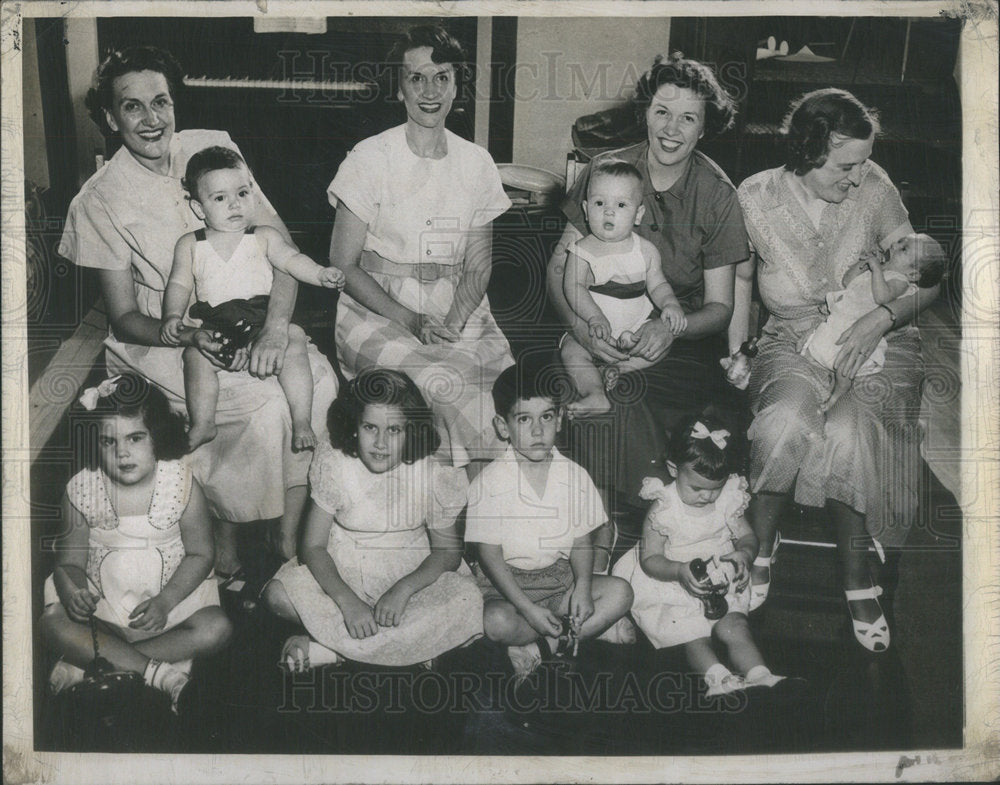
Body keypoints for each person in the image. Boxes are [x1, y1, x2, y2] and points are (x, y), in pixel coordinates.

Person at [58, 46, 337, 573]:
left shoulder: (213, 147)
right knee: (258, 406)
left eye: (160, 101)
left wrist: (276, 327)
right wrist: (188, 336)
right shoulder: (97, 201)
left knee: (316, 383)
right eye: (132, 107)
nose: (151, 118)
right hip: (165, 339)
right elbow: (124, 318)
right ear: (110, 118)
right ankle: (221, 532)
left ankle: (290, 531)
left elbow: (278, 245)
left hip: (252, 316)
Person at [734, 88, 941, 652]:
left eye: (863, 162)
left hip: (881, 336)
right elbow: (741, 282)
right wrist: (736, 350)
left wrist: (881, 318)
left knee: (850, 430)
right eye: (846, 164)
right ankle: (761, 547)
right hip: (793, 338)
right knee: (784, 421)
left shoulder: (874, 187)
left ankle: (856, 578)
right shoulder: (755, 197)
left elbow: (929, 274)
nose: (859, 175)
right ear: (808, 150)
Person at [547, 53, 749, 503]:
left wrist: (668, 327)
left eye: (688, 118)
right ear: (645, 113)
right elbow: (560, 267)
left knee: (627, 395)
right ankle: (582, 524)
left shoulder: (718, 196)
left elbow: (720, 308)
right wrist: (580, 327)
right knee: (566, 392)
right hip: (593, 320)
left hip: (682, 341)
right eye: (662, 112)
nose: (671, 130)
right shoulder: (606, 171)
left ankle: (653, 519)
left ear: (704, 127)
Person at [327, 25, 513, 470]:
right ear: (399, 87)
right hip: (377, 307)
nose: (430, 91)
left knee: (507, 389)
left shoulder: (477, 162)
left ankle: (493, 504)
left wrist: (452, 323)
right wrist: (411, 319)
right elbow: (343, 265)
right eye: (417, 78)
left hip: (458, 305)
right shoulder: (369, 158)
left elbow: (478, 268)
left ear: (456, 85)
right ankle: (454, 504)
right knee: (444, 383)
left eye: (442, 77)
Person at [262, 368, 483, 669]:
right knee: (278, 595)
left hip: (410, 571)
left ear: (411, 431)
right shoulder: (335, 464)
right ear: (355, 426)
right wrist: (346, 601)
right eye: (370, 427)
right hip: (343, 566)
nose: (380, 443)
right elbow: (313, 547)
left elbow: (448, 552)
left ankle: (333, 650)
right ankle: (412, 648)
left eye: (394, 430)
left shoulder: (431, 473)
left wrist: (403, 589)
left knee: (466, 599)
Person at [39, 374, 232, 713]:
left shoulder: (181, 484)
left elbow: (202, 553)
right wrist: (75, 594)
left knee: (216, 628)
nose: (122, 453)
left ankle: (89, 663)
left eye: (135, 438)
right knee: (52, 623)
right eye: (108, 442)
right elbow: (69, 561)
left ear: (157, 437)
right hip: (103, 609)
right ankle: (159, 674)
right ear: (92, 443)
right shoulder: (82, 489)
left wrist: (166, 601)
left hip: (166, 602)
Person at [160, 146, 345, 453]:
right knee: (194, 357)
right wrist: (172, 316)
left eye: (243, 193)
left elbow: (290, 260)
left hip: (261, 320)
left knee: (294, 339)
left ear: (254, 195)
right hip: (217, 325)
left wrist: (320, 274)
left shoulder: (263, 236)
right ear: (197, 207)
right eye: (220, 198)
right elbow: (178, 283)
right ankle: (203, 424)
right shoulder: (191, 244)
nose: (235, 204)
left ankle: (302, 422)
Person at [464, 359, 634, 682]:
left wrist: (583, 588)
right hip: (507, 587)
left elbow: (582, 542)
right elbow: (489, 555)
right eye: (524, 419)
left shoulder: (574, 475)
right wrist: (528, 608)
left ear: (559, 420)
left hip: (559, 580)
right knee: (495, 622)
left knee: (622, 593)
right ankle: (577, 632)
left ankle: (542, 646)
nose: (538, 431)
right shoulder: (489, 482)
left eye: (546, 417)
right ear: (503, 426)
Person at [613, 415, 786, 697]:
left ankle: (761, 676)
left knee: (736, 625)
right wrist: (679, 571)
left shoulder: (729, 497)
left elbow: (747, 536)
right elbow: (650, 559)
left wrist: (744, 553)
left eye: (714, 489)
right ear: (673, 469)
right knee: (693, 635)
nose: (706, 497)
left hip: (719, 575)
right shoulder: (663, 508)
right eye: (697, 488)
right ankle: (720, 679)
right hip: (671, 578)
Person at [560, 159, 687, 416]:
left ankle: (620, 368)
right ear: (586, 209)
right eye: (599, 203)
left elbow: (659, 283)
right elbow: (573, 287)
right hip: (593, 328)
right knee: (572, 351)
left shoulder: (646, 250)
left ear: (638, 214)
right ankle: (594, 393)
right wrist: (593, 316)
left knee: (658, 346)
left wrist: (670, 304)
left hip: (634, 329)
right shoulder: (582, 250)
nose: (608, 212)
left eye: (620, 205)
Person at [800, 233, 945, 412]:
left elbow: (882, 297)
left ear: (913, 273)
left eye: (904, 249)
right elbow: (848, 280)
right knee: (815, 343)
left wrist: (876, 269)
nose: (895, 245)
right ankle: (814, 382)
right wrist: (864, 264)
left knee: (846, 365)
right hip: (842, 318)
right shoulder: (881, 268)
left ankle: (837, 395)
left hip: (862, 330)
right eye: (900, 241)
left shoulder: (901, 281)